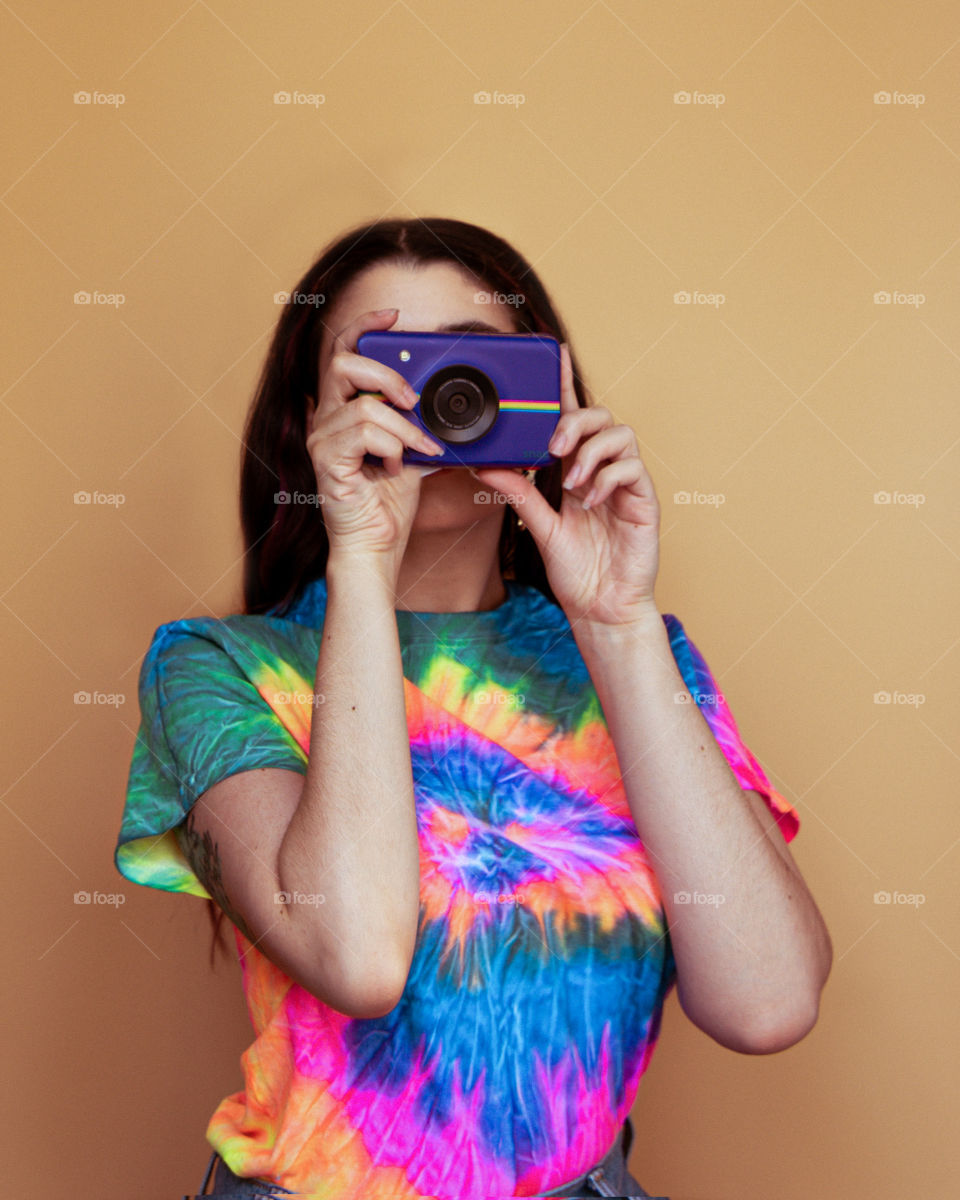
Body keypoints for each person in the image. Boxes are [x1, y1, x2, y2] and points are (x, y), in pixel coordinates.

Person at [114, 217, 832, 1200]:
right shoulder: (216, 671)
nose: (434, 400)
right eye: (385, 366)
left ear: (548, 394)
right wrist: (360, 556)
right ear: (310, 416)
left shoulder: (638, 662)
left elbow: (770, 1002)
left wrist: (617, 626)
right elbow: (357, 957)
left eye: (475, 363)